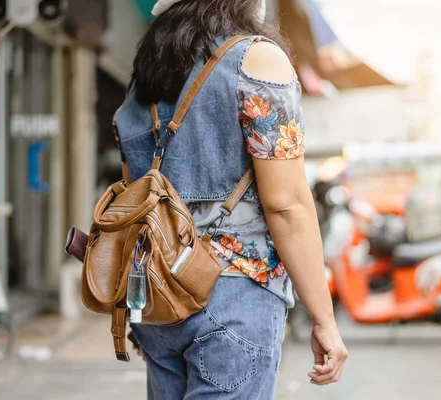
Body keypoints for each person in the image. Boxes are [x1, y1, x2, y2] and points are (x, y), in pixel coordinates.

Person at [113, 0, 348, 398]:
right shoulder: (256, 59)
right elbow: (287, 204)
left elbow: (135, 192)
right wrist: (323, 317)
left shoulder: (147, 76)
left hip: (156, 295)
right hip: (233, 293)